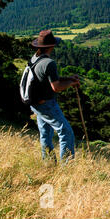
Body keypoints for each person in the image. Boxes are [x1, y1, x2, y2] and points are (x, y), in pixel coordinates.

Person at [29, 30, 80, 162]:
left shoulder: (35, 58)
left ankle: (49, 163)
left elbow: (48, 79)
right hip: (46, 104)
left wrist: (68, 78)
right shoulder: (49, 63)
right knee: (66, 132)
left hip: (36, 103)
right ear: (51, 46)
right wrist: (70, 83)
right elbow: (56, 87)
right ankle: (67, 167)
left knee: (45, 134)